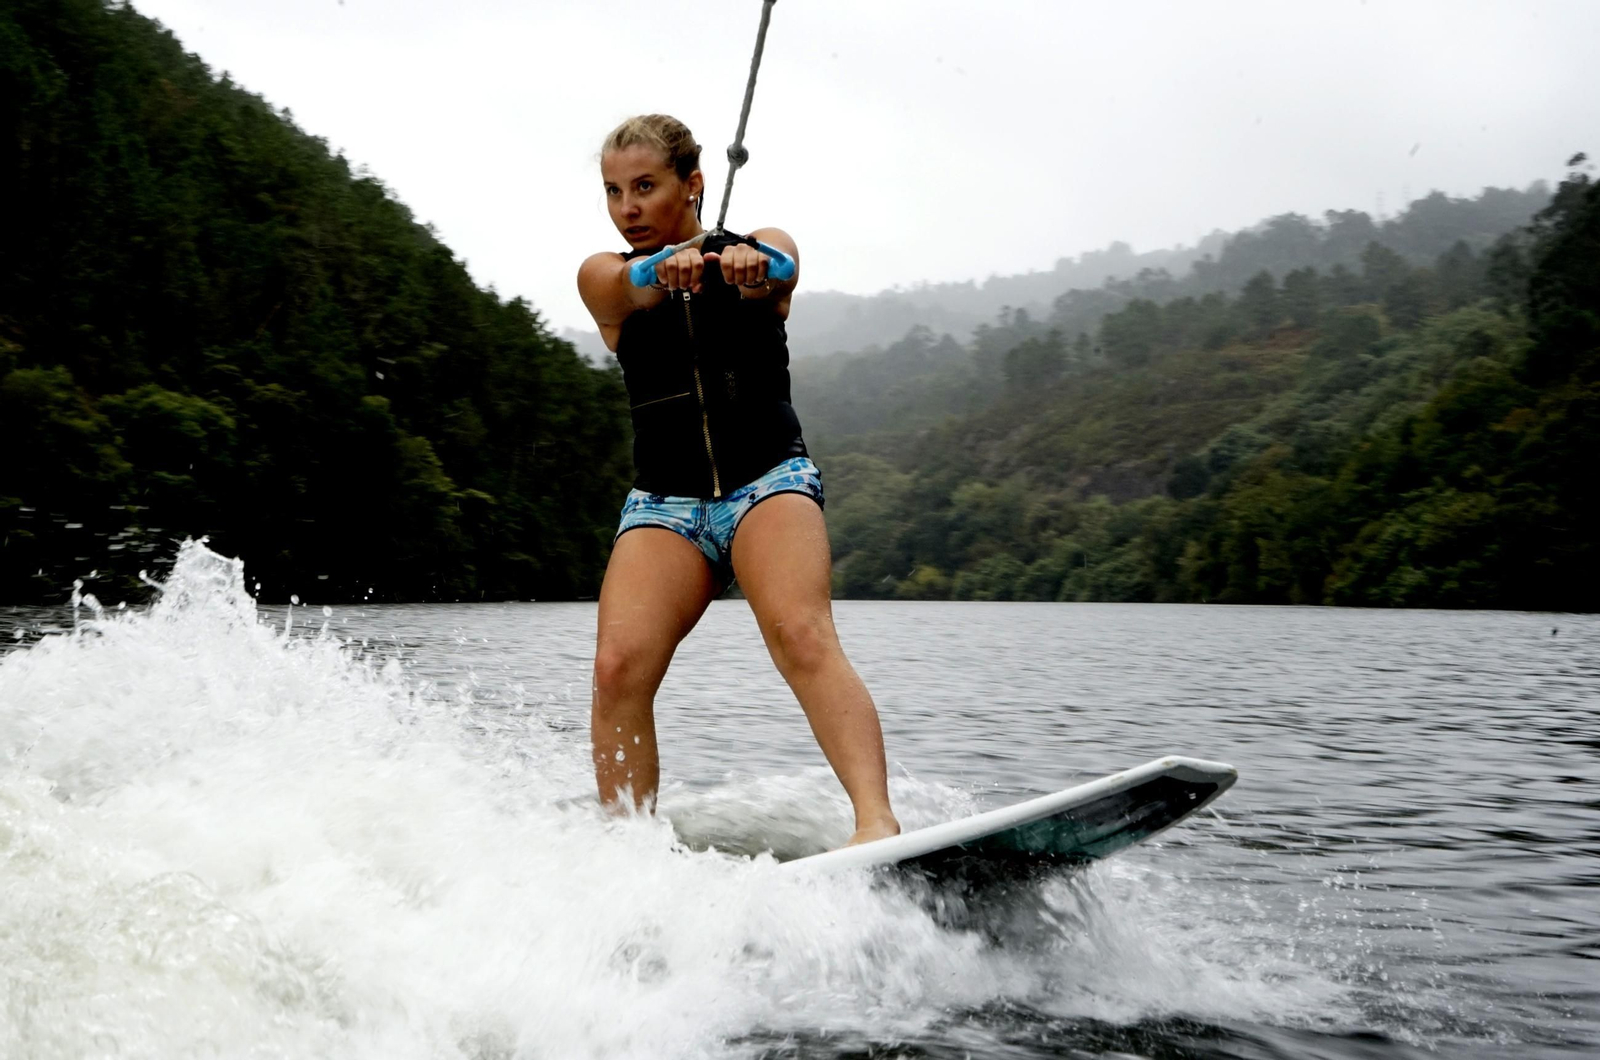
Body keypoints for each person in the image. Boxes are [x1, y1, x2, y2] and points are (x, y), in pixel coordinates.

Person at [576, 114, 900, 847]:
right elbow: (624, 286)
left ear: (692, 184)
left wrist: (744, 264)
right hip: (665, 505)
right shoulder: (602, 275)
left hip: (766, 484)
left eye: (645, 187)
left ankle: (876, 824)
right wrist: (663, 268)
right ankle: (627, 855)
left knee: (802, 634)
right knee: (615, 666)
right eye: (613, 190)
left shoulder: (757, 250)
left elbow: (784, 268)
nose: (627, 206)